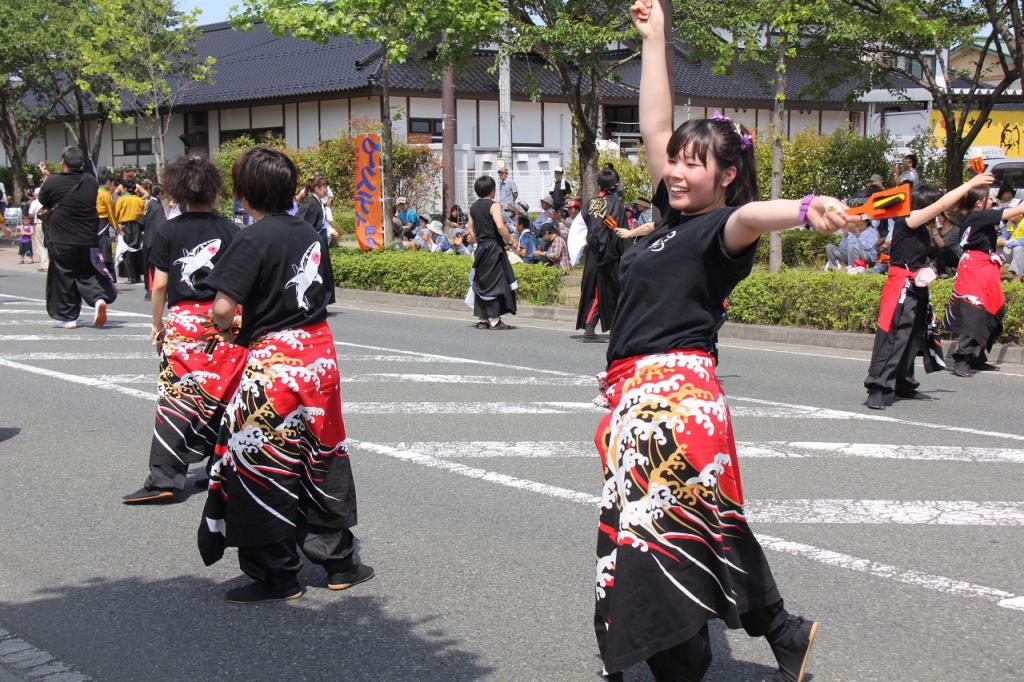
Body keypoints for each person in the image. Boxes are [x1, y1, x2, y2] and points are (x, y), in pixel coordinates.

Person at [596, 4, 854, 680]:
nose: (677, 172)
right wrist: (655, 42)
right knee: (695, 523)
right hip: (639, 399)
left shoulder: (721, 230)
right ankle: (781, 629)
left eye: (694, 165)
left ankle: (679, 664)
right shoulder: (667, 219)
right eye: (674, 163)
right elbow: (654, 125)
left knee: (662, 537)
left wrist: (803, 209)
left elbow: (754, 216)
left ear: (727, 174)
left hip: (676, 403)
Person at [197, 146, 372, 603]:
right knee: (322, 453)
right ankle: (338, 563)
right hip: (319, 357)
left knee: (261, 464)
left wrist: (224, 325)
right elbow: (320, 292)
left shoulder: (250, 239)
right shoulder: (310, 234)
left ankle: (278, 576)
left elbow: (222, 307)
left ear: (246, 191)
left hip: (275, 364)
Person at [122, 156, 247, 505]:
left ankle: (166, 477)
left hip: (184, 323)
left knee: (178, 399)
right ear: (215, 191)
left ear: (178, 191)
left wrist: (157, 326)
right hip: (224, 321)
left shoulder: (167, 230)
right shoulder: (231, 231)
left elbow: (160, 285)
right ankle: (220, 470)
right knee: (224, 398)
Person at [863, 174, 995, 409]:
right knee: (895, 336)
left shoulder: (924, 227)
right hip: (902, 286)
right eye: (933, 203)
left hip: (917, 286)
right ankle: (877, 385)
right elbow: (943, 203)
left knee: (914, 337)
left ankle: (902, 381)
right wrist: (970, 184)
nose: (938, 209)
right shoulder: (909, 219)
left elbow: (943, 247)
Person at [945, 188, 1024, 376]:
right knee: (975, 312)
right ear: (980, 203)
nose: (994, 201)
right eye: (990, 199)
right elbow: (1016, 212)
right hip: (975, 267)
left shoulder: (980, 217)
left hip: (985, 265)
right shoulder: (979, 216)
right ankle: (962, 358)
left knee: (993, 310)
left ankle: (977, 355)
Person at [38, 146, 116, 329]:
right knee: (87, 271)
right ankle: (98, 299)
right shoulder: (90, 181)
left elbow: (43, 200)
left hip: (61, 237)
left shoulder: (53, 181)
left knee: (64, 274)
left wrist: (47, 177)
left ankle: (69, 317)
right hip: (88, 236)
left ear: (63, 162)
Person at [576, 169, 627, 342]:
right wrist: (627, 255)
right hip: (609, 255)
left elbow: (583, 226)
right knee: (604, 292)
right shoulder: (616, 205)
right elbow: (619, 231)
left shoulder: (590, 203)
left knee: (599, 291)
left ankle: (616, 329)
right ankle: (590, 331)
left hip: (592, 253)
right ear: (615, 185)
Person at [467, 175, 517, 330]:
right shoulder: (494, 205)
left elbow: (470, 227)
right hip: (494, 247)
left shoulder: (473, 207)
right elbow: (501, 227)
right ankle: (495, 320)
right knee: (497, 281)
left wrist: (476, 242)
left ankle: (483, 319)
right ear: (493, 190)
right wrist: (510, 241)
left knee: (482, 281)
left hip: (481, 248)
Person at [114, 180, 147, 283]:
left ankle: (130, 276)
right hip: (138, 226)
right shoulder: (140, 200)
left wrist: (117, 225)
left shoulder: (122, 199)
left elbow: (116, 213)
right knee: (137, 251)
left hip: (125, 226)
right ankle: (137, 275)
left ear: (125, 188)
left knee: (126, 251)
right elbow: (144, 213)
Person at [95, 172, 119, 283]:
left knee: (95, 250)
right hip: (103, 223)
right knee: (106, 251)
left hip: (93, 223)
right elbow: (111, 213)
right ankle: (110, 277)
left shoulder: (94, 192)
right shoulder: (105, 194)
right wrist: (116, 228)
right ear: (108, 182)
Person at [927, 211, 961, 277]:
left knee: (940, 249)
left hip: (956, 257)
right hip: (943, 257)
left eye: (940, 216)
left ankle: (943, 274)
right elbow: (932, 244)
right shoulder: (940, 230)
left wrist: (934, 230)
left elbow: (942, 244)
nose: (938, 218)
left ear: (947, 218)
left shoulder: (955, 229)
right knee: (929, 249)